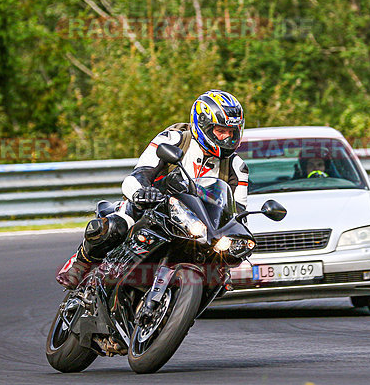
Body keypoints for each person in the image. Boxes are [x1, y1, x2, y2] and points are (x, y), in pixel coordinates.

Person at [56, 90, 249, 289]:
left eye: (232, 132)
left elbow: (238, 212)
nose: (227, 137)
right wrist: (142, 192)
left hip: (198, 227)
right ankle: (80, 263)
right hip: (154, 207)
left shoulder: (237, 167)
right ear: (203, 126)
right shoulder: (175, 139)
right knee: (114, 227)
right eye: (221, 130)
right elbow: (139, 174)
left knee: (220, 277)